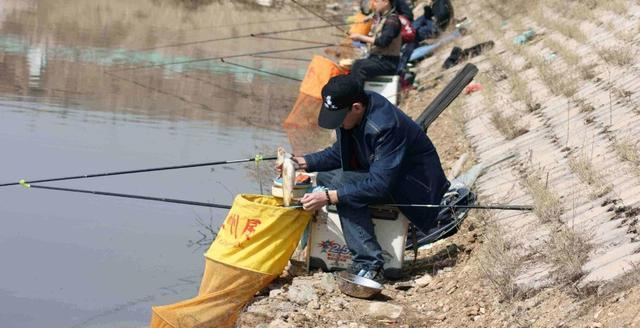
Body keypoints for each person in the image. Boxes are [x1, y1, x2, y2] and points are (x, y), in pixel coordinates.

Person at [291, 74, 450, 282]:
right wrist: (301, 162)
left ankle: (369, 264)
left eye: (339, 117)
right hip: (386, 176)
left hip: (415, 190)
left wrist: (330, 197)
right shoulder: (355, 115)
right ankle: (345, 247)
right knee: (326, 177)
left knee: (341, 186)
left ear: (356, 107)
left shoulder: (385, 127)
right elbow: (340, 154)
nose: (337, 123)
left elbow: (379, 185)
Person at [348, 0, 402, 84]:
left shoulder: (392, 20)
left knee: (359, 66)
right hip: (377, 59)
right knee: (355, 65)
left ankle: (356, 95)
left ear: (386, 2)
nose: (374, 4)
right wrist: (359, 38)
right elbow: (374, 40)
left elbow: (383, 42)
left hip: (387, 63)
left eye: (376, 1)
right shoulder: (382, 18)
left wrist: (360, 37)